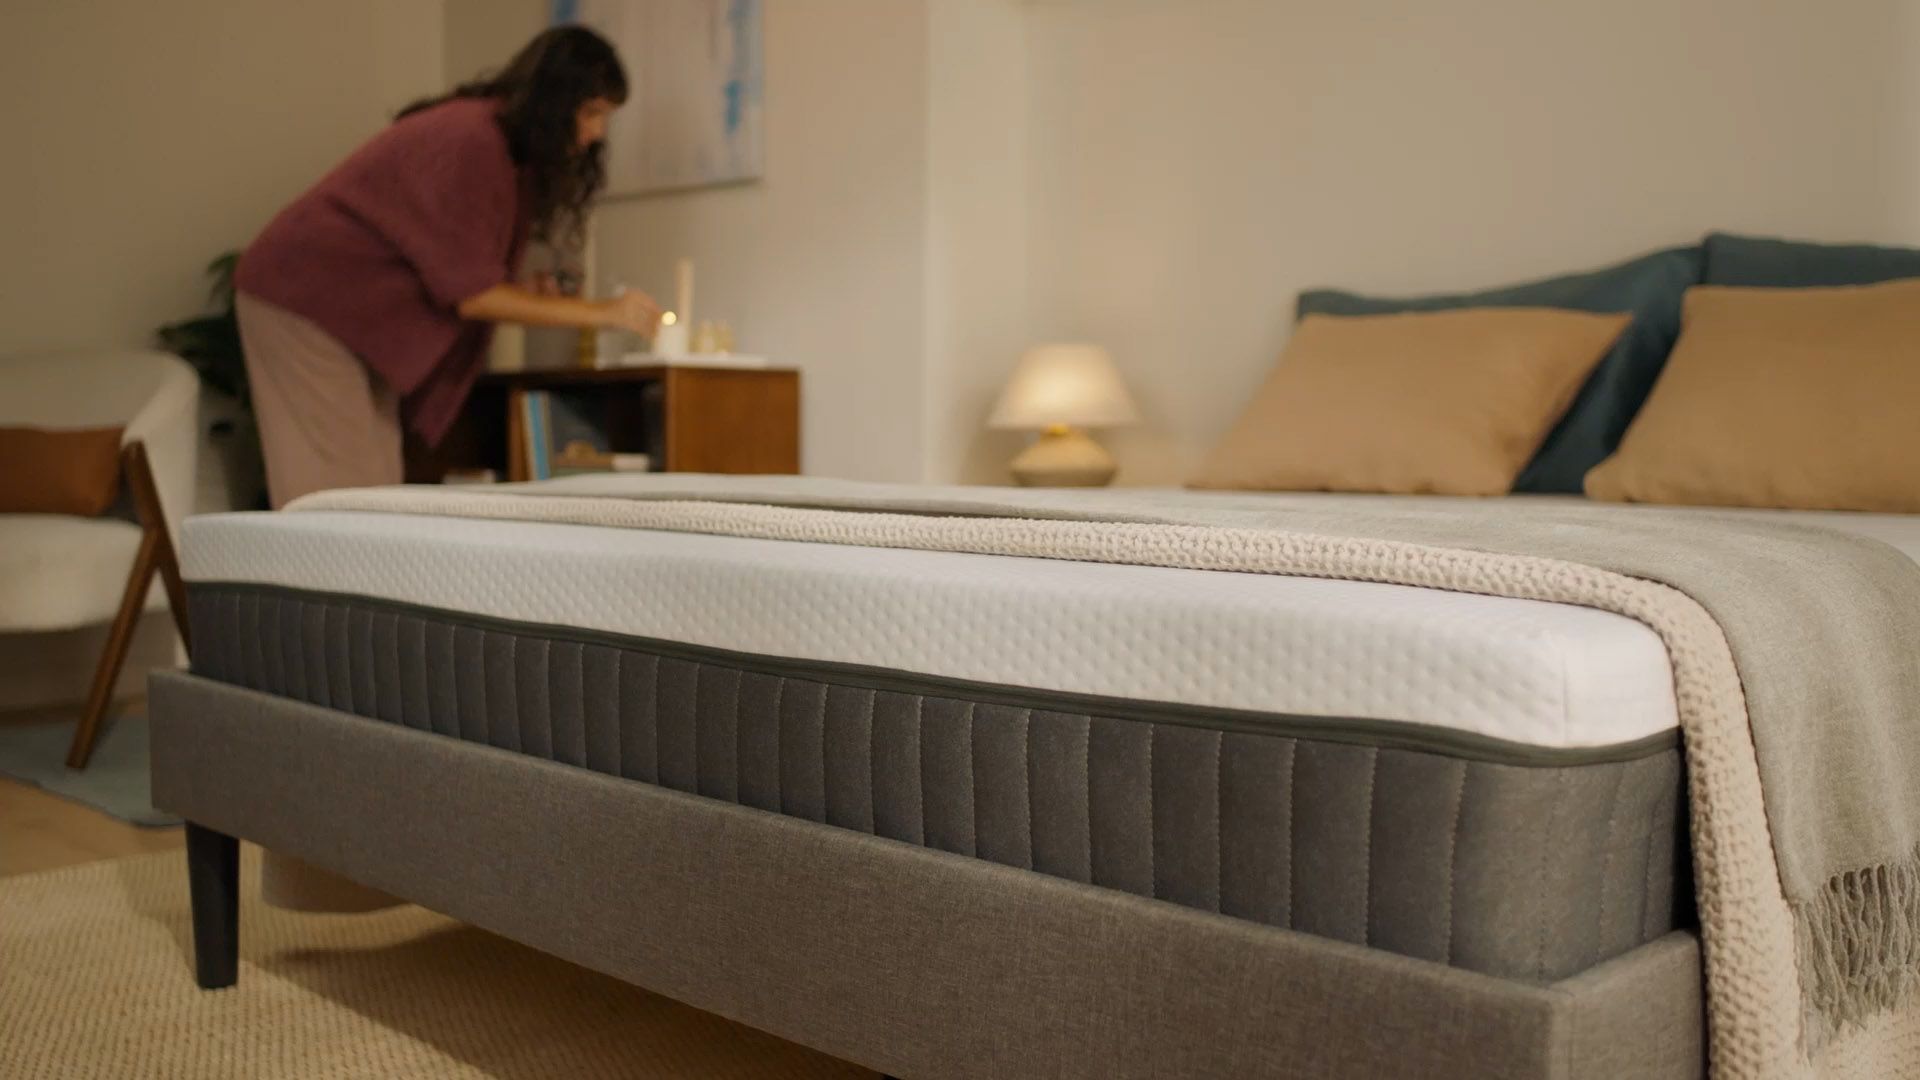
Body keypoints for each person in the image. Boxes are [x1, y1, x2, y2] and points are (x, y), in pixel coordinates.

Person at [231, 25, 659, 912]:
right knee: (341, 536)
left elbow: (454, 272)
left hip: (351, 326)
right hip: (306, 305)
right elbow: (466, 294)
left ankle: (374, 806)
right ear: (557, 99)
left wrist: (539, 294)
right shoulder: (469, 138)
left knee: (368, 525)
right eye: (591, 112)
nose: (594, 136)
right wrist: (605, 310)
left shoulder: (492, 152)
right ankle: (328, 816)